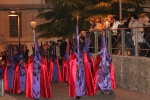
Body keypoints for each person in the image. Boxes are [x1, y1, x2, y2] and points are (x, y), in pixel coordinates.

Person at [94, 30, 116, 95]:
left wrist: (108, 58)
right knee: (101, 80)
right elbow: (97, 64)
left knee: (108, 80)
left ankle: (110, 90)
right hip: (101, 70)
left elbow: (110, 61)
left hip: (107, 69)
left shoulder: (107, 55)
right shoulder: (99, 56)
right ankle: (102, 90)